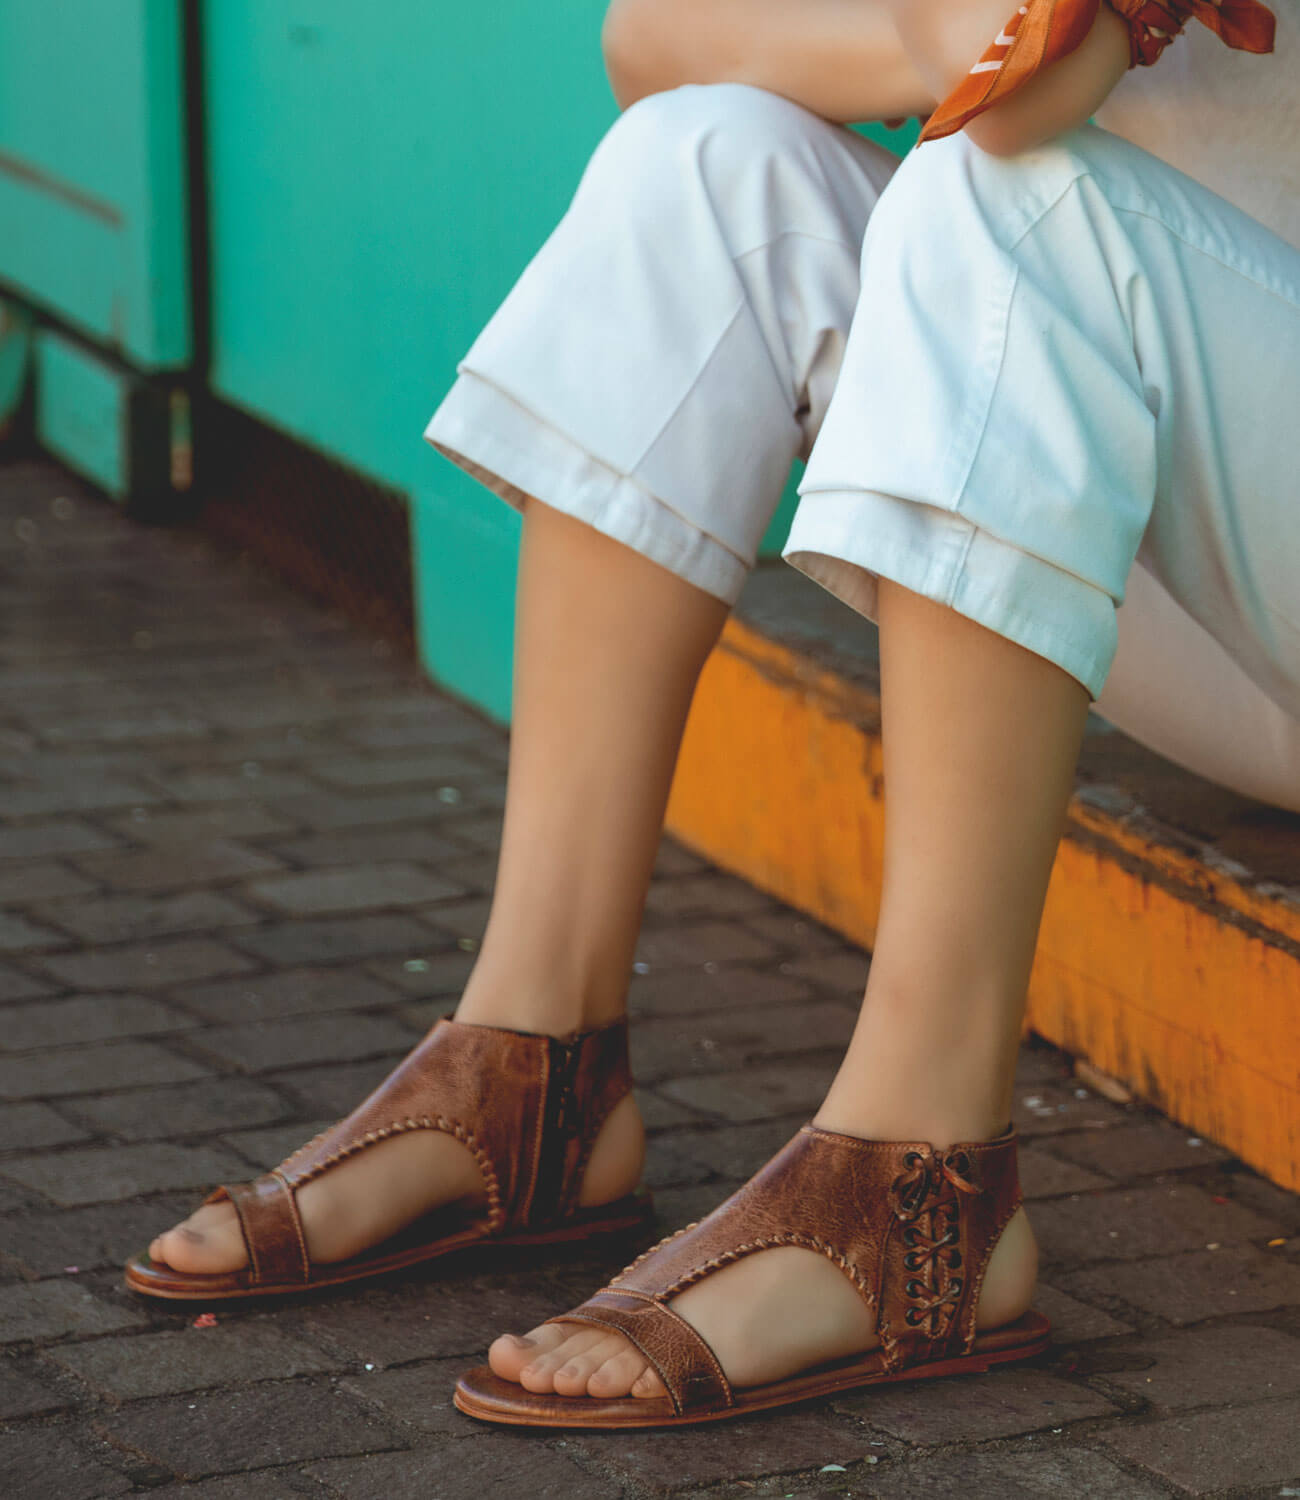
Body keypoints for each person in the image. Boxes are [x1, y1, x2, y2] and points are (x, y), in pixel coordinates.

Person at [127, 0, 1298, 1428]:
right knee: (699, 161)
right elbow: (656, 38)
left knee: (1009, 203)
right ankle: (535, 1075)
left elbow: (1037, 95)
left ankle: (922, 1180)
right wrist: (941, 46)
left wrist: (1003, 48)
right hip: (1223, 578)